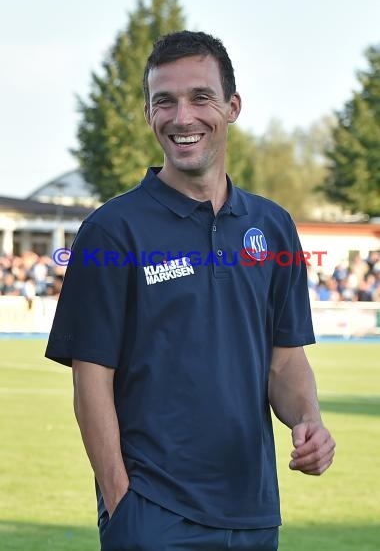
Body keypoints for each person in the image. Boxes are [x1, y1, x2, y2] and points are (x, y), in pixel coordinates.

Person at [45, 31, 335, 551]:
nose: (182, 117)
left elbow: (285, 362)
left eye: (200, 97)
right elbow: (92, 381)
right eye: (165, 102)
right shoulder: (111, 232)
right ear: (148, 114)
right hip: (155, 516)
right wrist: (121, 502)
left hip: (254, 515)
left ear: (232, 107)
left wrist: (308, 421)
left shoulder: (272, 227)